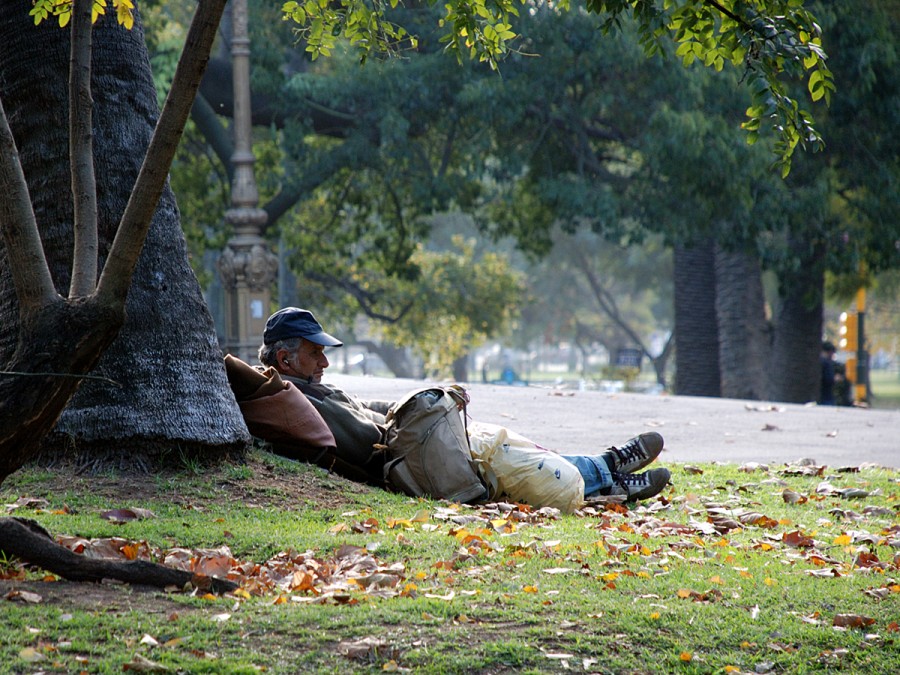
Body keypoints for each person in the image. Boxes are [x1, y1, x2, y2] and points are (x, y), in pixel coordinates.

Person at [257, 307, 671, 504]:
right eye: (316, 353)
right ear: (286, 359)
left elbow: (370, 407)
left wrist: (423, 403)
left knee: (519, 449)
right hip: (420, 460)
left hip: (423, 445)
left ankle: (611, 472)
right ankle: (610, 472)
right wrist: (419, 418)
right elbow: (369, 438)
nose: (325, 361)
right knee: (515, 459)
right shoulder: (303, 400)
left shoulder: (310, 389)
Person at [819, 341, 837, 405]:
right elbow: (829, 379)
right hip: (826, 395)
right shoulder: (826, 363)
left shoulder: (821, 361)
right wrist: (835, 379)